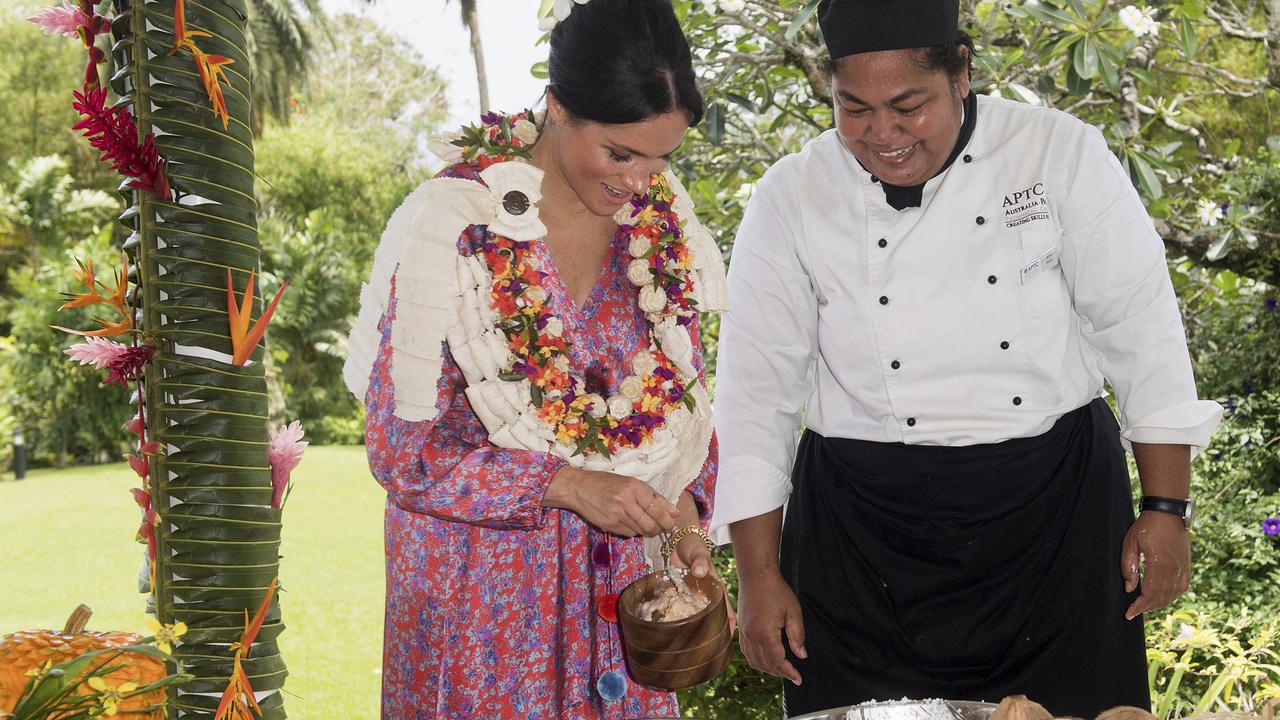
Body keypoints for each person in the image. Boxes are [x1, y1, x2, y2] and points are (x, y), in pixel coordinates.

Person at [709, 0, 1223, 716]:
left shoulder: (1057, 153)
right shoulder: (791, 196)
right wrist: (757, 575)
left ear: (961, 72)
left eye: (907, 105)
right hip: (862, 531)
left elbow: (1141, 331)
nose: (880, 134)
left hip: (1054, 512)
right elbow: (754, 393)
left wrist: (1168, 508)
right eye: (852, 108)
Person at [341, 1, 727, 717]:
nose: (642, 181)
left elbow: (686, 408)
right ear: (556, 109)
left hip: (620, 604)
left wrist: (684, 522)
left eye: (662, 157)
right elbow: (401, 448)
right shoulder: (458, 230)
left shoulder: (660, 238)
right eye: (621, 153)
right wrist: (564, 483)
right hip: (482, 606)